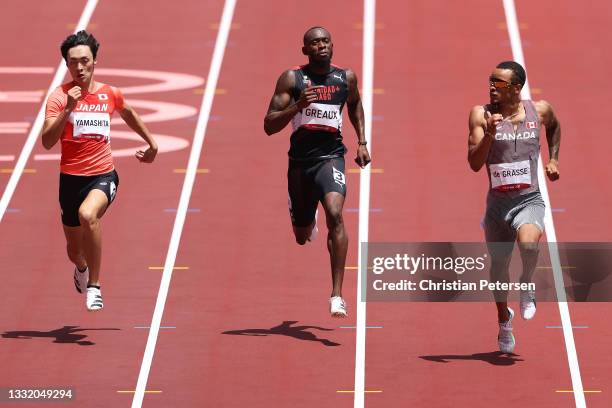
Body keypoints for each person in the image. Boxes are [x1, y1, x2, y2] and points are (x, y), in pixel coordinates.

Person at [41, 31, 158, 311]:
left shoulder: (110, 94)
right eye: (73, 63)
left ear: (95, 61)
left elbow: (128, 112)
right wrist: (68, 108)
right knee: (74, 251)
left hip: (103, 175)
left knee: (87, 215)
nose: (79, 67)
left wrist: (151, 143)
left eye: (85, 60)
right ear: (66, 65)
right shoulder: (58, 97)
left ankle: (94, 285)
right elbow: (47, 142)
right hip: (70, 180)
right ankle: (81, 267)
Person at [264, 26, 371, 317]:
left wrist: (361, 141)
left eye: (325, 41)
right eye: (314, 43)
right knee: (301, 235)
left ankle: (337, 295)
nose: (321, 46)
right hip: (300, 163)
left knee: (335, 214)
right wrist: (298, 105)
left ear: (332, 46)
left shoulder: (345, 77)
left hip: (331, 158)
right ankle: (300, 213)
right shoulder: (293, 79)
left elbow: (356, 105)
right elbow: (269, 125)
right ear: (305, 50)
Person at [468, 61, 561, 353]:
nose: (491, 86)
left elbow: (555, 127)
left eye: (498, 82)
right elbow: (473, 163)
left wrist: (554, 159)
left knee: (530, 244)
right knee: (498, 269)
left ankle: (527, 285)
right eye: (490, 80)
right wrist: (492, 134)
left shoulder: (540, 110)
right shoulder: (481, 115)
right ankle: (503, 320)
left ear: (516, 88)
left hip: (528, 199)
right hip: (497, 204)